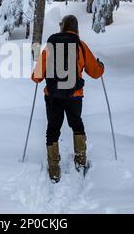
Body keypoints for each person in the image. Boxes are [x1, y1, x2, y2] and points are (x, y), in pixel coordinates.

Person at [31, 15, 104, 182]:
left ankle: (54, 170)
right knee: (76, 124)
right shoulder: (80, 45)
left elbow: (36, 76)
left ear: (62, 27)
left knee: (52, 129)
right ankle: (80, 160)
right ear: (76, 28)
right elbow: (95, 72)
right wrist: (101, 66)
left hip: (52, 96)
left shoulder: (50, 46)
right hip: (74, 96)